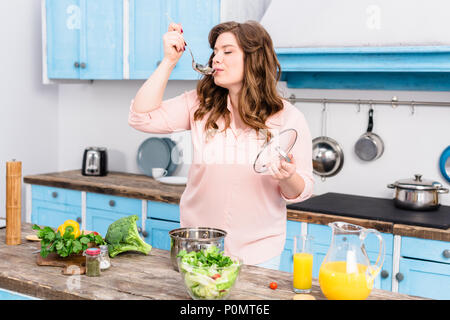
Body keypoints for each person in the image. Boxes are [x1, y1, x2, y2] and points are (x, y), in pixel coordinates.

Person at [128, 20, 314, 269]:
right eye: (215, 52)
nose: (216, 58)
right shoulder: (199, 105)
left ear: (254, 59)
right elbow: (141, 117)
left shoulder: (288, 118)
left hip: (259, 254)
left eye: (227, 51)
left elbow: (300, 190)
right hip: (198, 248)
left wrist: (287, 176)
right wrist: (169, 61)